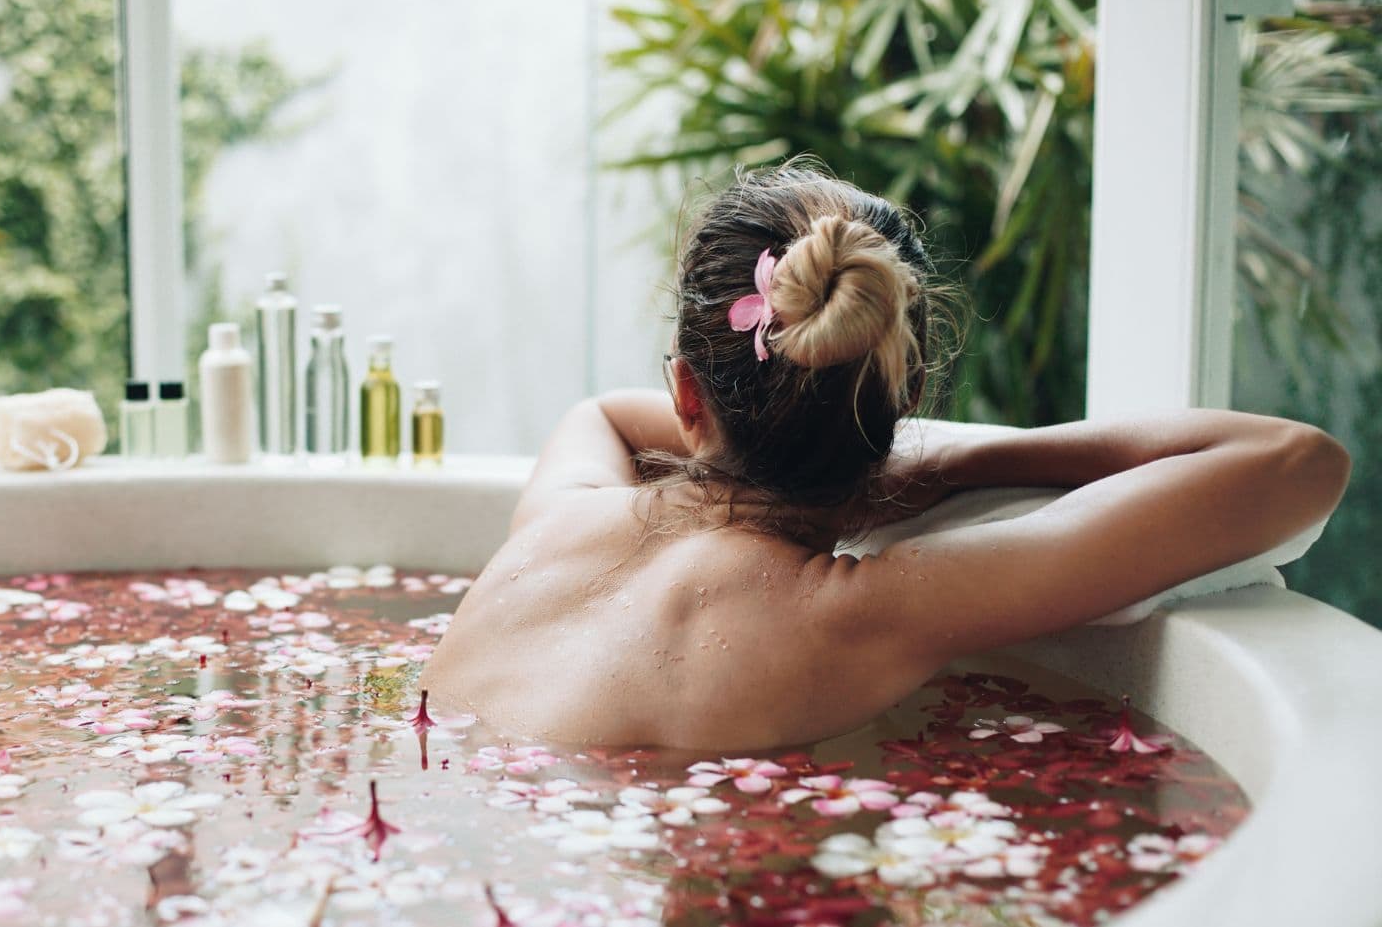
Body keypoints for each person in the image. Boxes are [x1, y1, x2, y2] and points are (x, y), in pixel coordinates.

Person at [420, 163, 1350, 750]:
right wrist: (937, 470)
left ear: (686, 393)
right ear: (899, 404)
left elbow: (608, 413)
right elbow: (1294, 461)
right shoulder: (861, 611)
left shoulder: (562, 513)